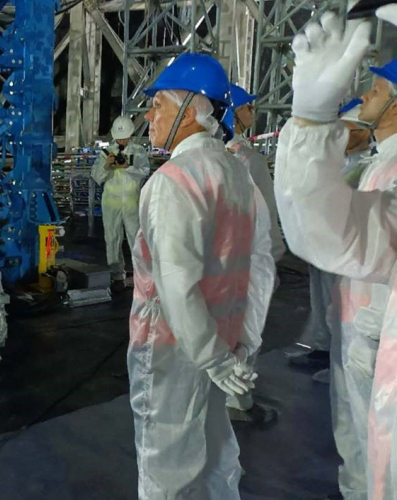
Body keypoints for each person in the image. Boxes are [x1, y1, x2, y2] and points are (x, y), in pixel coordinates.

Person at [129, 53, 276, 499]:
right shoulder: (238, 174)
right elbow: (261, 265)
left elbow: (176, 286)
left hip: (174, 350)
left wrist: (213, 358)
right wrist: (243, 345)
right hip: (224, 340)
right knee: (215, 458)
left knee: (165, 466)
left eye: (158, 106)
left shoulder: (174, 181)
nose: (149, 117)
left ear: (191, 111)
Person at [273, 8, 397, 500]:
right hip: (365, 328)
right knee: (362, 440)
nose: (366, 95)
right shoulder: (379, 167)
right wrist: (310, 123)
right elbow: (332, 232)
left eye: (378, 89)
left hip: (372, 329)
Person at [291, 99, 372, 376]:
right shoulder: (342, 163)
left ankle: (335, 360)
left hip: (344, 252)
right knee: (323, 301)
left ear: (362, 131)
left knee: (339, 307)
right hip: (323, 247)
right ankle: (323, 349)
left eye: (346, 129)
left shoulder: (366, 166)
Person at [223, 84, 287, 423]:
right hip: (249, 259)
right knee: (248, 330)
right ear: (235, 112)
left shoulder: (213, 156)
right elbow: (267, 216)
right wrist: (274, 259)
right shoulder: (250, 159)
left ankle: (222, 392)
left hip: (219, 261)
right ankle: (240, 400)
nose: (253, 112)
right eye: (249, 107)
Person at [90, 115, 150, 295]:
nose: (121, 140)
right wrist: (106, 166)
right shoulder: (106, 153)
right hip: (111, 204)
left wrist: (127, 167)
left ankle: (141, 276)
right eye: (119, 137)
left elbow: (145, 172)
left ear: (131, 134)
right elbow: (96, 177)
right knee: (112, 238)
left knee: (136, 239)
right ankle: (117, 276)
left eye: (124, 137)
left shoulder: (138, 151)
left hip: (132, 202)